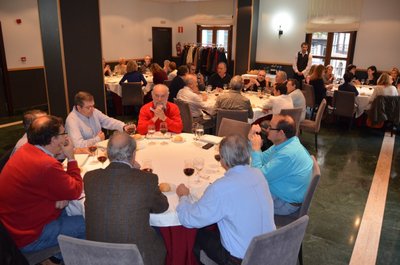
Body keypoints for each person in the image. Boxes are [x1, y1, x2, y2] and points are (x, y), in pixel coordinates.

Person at [176, 134, 275, 264]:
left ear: (223, 160)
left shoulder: (221, 188)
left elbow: (189, 219)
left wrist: (183, 196)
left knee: (195, 234)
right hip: (272, 249)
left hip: (242, 260)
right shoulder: (258, 174)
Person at [0, 116, 85, 258]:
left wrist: (58, 199)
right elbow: (75, 190)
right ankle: (69, 259)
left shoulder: (27, 149)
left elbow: (43, 186)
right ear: (52, 140)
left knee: (74, 209)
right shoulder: (45, 164)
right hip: (29, 236)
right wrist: (71, 158)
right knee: (90, 221)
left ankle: (60, 255)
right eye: (63, 134)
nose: (66, 137)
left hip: (15, 225)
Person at [84, 131, 168, 265]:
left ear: (108, 153)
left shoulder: (90, 178)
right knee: (162, 235)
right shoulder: (145, 180)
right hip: (136, 258)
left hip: (96, 256)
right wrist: (137, 173)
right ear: (134, 154)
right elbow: (162, 207)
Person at [248, 114, 313, 215]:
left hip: (284, 202)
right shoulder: (285, 143)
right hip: (282, 190)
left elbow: (257, 177)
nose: (267, 129)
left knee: (242, 198)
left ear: (281, 133)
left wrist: (256, 150)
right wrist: (252, 141)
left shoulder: (287, 155)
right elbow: (262, 158)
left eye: (271, 127)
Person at [65, 91, 136, 148]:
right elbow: (78, 145)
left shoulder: (94, 111)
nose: (92, 109)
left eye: (93, 106)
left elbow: (108, 121)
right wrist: (97, 139)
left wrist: (123, 126)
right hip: (82, 156)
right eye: (88, 107)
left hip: (97, 149)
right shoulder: (72, 121)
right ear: (79, 108)